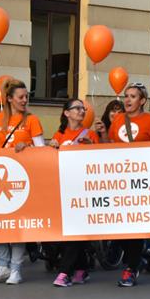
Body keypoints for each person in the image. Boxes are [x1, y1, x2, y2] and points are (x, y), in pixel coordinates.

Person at [0, 78, 45, 285]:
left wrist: (25, 147)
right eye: (21, 97)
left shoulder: (32, 120)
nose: (25, 100)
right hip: (2, 178)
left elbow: (41, 149)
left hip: (24, 179)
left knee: (18, 225)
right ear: (9, 99)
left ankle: (16, 269)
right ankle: (2, 266)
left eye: (26, 96)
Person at [106, 83, 150, 286]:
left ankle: (131, 268)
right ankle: (137, 257)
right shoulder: (119, 120)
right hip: (118, 180)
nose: (128, 100)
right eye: (126, 96)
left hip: (140, 181)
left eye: (132, 96)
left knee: (135, 224)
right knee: (118, 225)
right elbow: (112, 145)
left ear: (142, 101)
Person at [49, 98, 99, 287]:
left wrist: (91, 146)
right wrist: (52, 148)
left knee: (75, 232)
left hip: (84, 189)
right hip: (64, 188)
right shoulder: (59, 135)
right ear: (66, 113)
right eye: (76, 108)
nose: (81, 111)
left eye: (82, 108)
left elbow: (100, 160)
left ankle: (64, 272)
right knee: (68, 232)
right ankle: (81, 268)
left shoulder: (90, 134)